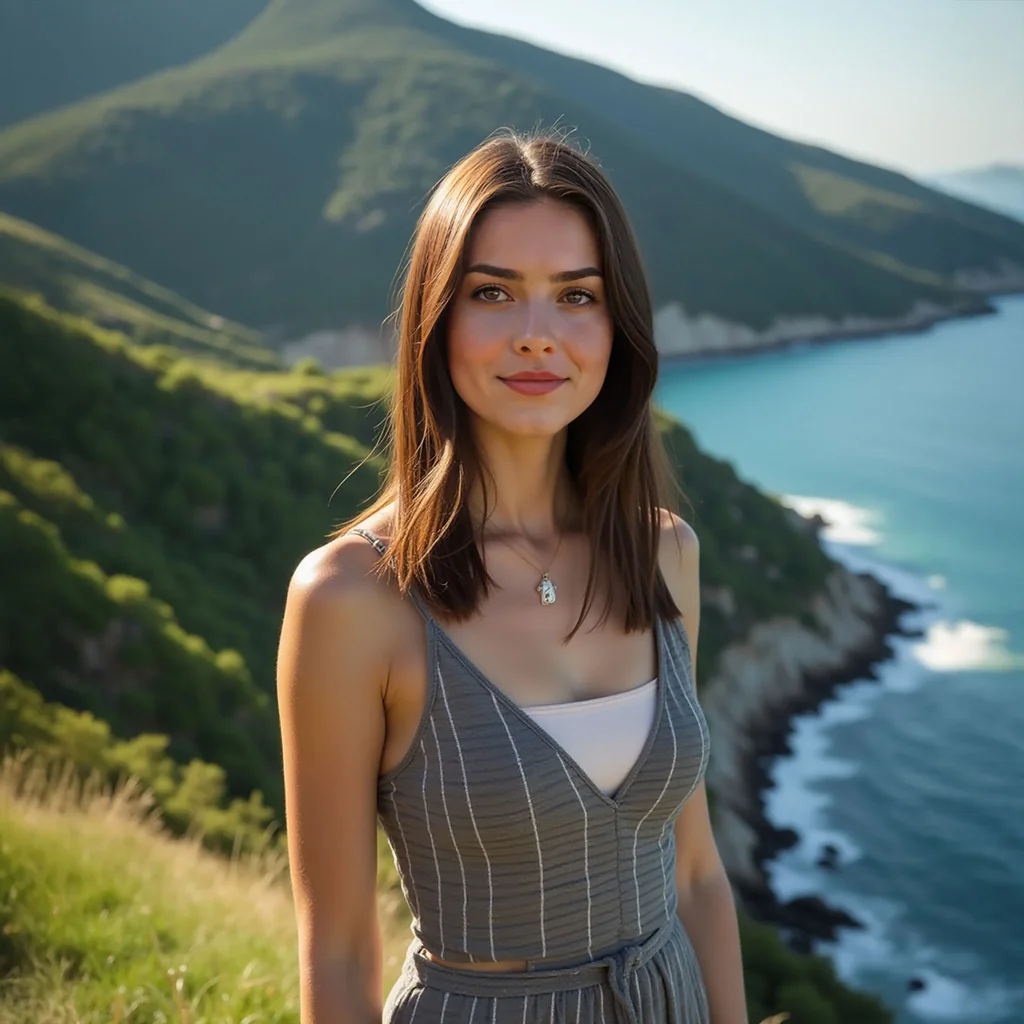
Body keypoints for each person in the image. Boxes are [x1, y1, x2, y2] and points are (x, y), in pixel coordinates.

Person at [276, 129, 749, 1023]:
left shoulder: (665, 554)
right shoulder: (352, 599)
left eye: (577, 297)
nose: (539, 337)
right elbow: (336, 951)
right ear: (436, 320)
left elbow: (696, 874)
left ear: (618, 328)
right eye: (492, 293)